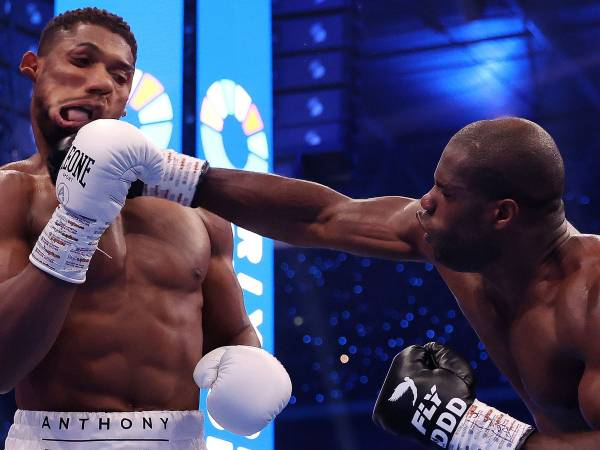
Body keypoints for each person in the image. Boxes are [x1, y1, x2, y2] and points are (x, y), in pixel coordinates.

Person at [180, 116, 600, 448]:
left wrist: (476, 431)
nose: (426, 202)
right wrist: (180, 178)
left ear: (502, 215)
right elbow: (323, 217)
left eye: (447, 193)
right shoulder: (455, 243)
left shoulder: (590, 297)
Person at [0, 8, 290, 450]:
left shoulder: (197, 210)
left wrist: (249, 364)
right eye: (82, 61)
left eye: (120, 76)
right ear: (33, 67)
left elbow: (231, 331)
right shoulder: (11, 195)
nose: (102, 83)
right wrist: (75, 226)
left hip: (182, 440)